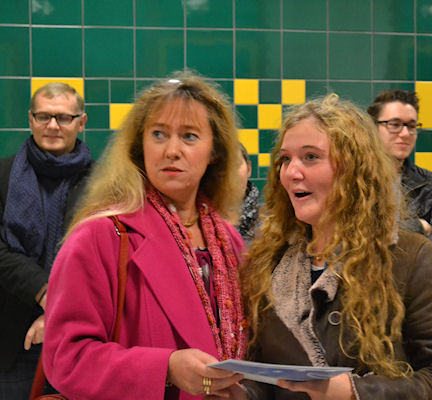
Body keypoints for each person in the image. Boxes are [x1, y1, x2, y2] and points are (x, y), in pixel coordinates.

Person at [230, 94, 432, 399]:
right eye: (285, 159)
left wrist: (354, 391)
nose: (292, 172)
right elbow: (264, 372)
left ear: (353, 169)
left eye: (311, 157)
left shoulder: (413, 259)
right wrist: (241, 393)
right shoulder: (268, 262)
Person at [42, 73, 248, 399]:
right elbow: (66, 359)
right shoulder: (99, 236)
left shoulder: (228, 241)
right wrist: (165, 368)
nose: (172, 150)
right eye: (158, 134)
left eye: (189, 136)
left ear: (215, 152)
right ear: (140, 146)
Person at [0, 82, 93, 400]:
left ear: (81, 122)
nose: (52, 126)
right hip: (13, 342)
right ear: (30, 119)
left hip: (80, 338)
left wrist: (56, 312)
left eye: (63, 118)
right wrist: (46, 294)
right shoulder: (3, 176)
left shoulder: (102, 183)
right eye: (43, 116)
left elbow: (101, 259)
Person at [367, 90, 432, 262]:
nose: (405, 133)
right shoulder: (354, 179)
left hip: (416, 276)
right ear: (373, 128)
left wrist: (407, 264)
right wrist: (419, 226)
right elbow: (356, 235)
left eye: (411, 126)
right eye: (394, 124)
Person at [236, 143, 259, 244]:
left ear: (249, 169)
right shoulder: (195, 224)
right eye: (221, 167)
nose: (229, 174)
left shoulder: (273, 222)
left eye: (236, 165)